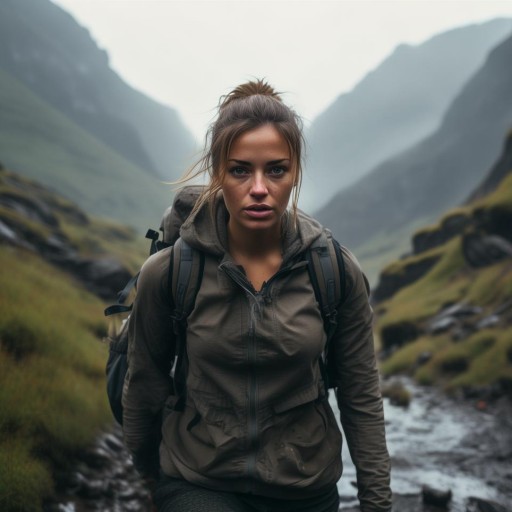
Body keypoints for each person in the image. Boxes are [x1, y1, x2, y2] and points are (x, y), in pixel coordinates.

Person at [122, 79, 391, 512]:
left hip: (305, 488)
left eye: (277, 170)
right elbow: (145, 382)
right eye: (241, 169)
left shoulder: (335, 271)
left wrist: (376, 503)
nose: (260, 187)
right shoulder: (170, 273)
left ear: (296, 172)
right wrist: (152, 472)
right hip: (200, 483)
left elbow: (360, 394)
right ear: (217, 174)